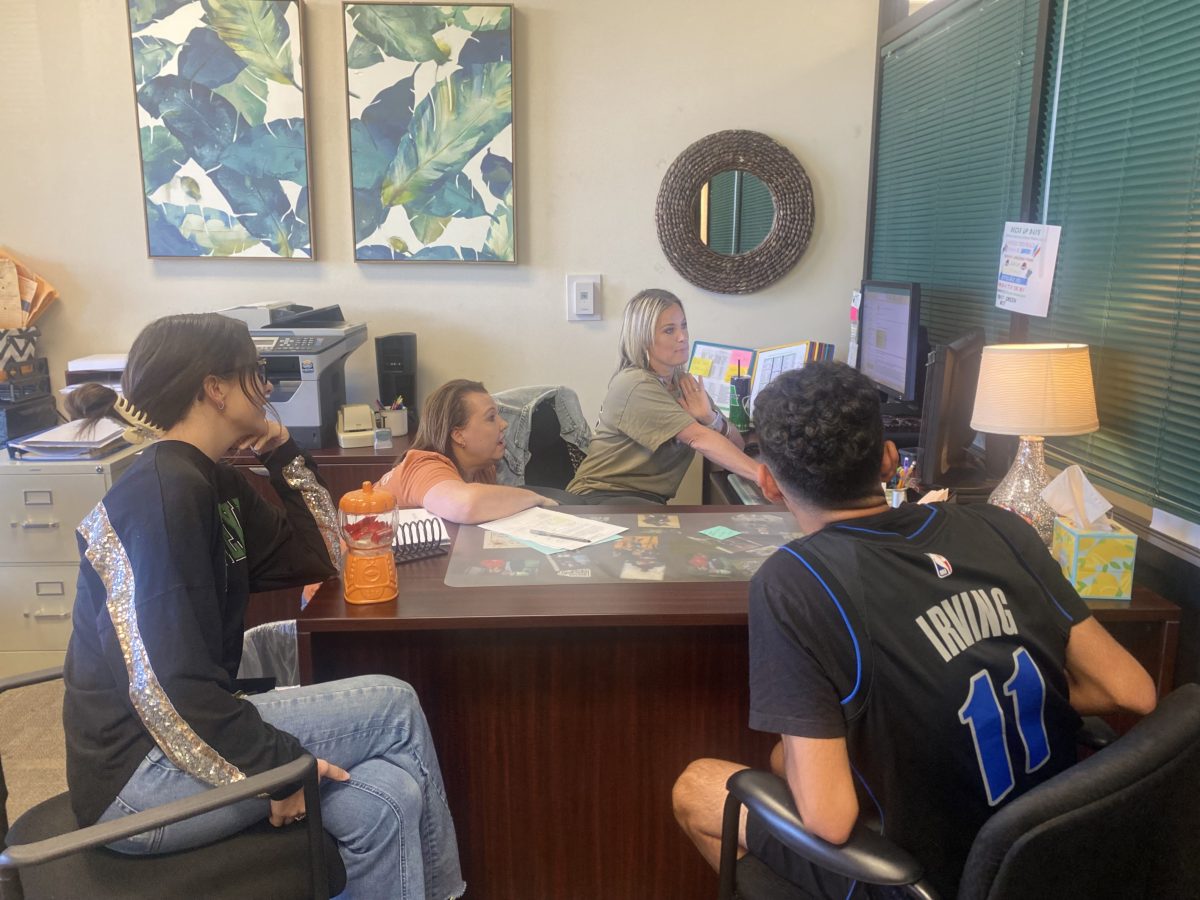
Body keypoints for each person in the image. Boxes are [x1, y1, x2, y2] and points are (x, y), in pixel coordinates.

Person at [672, 361, 1156, 899]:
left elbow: (830, 819)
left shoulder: (793, 582)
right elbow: (1130, 690)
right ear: (887, 459)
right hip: (1048, 857)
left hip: (921, 877)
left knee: (698, 787)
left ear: (768, 484)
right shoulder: (1001, 528)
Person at [62, 313, 464, 900]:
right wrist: (274, 769)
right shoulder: (162, 496)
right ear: (214, 388)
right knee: (394, 705)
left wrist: (283, 456)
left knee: (387, 797)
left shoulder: (210, 482)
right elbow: (163, 691)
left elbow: (325, 553)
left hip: (187, 734)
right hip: (138, 778)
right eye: (255, 373)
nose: (269, 387)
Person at [566, 289, 761, 504]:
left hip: (641, 500)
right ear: (643, 338)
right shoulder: (635, 384)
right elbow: (698, 438)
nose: (683, 337)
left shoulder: (682, 383)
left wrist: (710, 417)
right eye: (669, 330)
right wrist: (764, 477)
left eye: (684, 326)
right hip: (601, 498)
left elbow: (738, 446)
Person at [378, 378, 563, 523]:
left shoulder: (482, 468)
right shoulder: (424, 466)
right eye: (491, 417)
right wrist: (536, 499)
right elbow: (464, 506)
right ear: (459, 436)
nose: (504, 424)